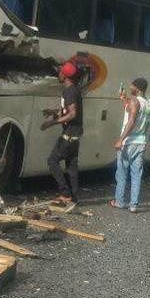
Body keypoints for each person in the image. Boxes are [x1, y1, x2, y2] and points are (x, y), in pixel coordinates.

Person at [40, 62, 84, 207]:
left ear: (64, 76)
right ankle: (74, 197)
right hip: (75, 135)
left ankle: (65, 193)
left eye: (60, 72)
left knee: (52, 161)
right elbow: (66, 111)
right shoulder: (74, 90)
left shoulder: (69, 91)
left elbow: (72, 114)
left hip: (69, 135)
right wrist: (53, 112)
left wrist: (52, 123)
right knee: (71, 167)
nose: (58, 74)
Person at [110, 78, 150, 213]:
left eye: (132, 86)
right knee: (136, 175)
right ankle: (133, 205)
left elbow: (132, 120)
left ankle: (119, 202)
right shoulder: (149, 102)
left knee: (121, 173)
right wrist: (123, 99)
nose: (130, 87)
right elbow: (131, 110)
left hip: (129, 143)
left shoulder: (134, 101)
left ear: (138, 89)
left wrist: (121, 139)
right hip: (141, 143)